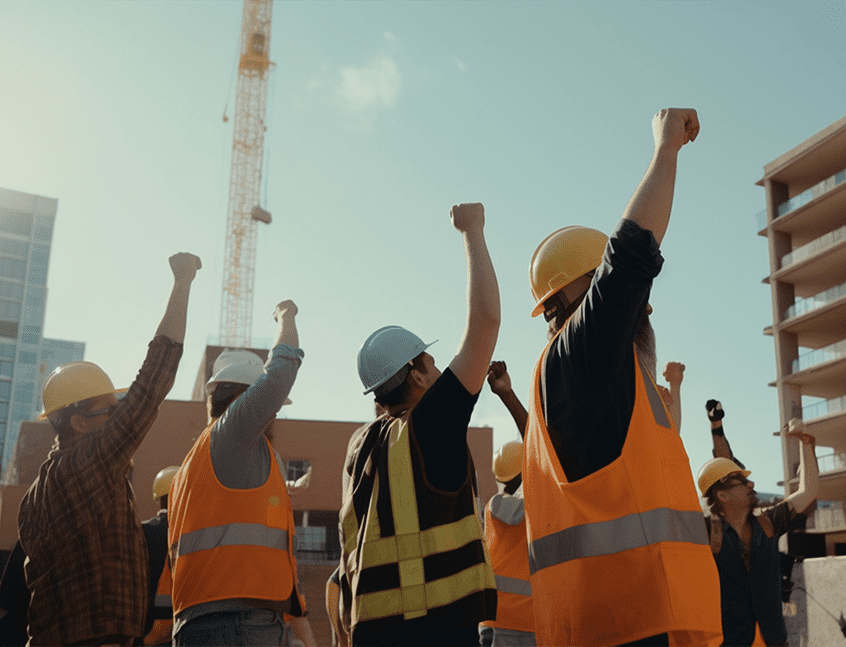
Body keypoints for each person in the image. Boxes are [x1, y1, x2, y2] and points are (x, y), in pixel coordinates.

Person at [523, 108, 723, 647]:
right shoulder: (577, 359)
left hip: (626, 621)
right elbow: (631, 259)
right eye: (603, 282)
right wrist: (665, 150)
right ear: (573, 298)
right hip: (624, 625)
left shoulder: (598, 375)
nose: (642, 302)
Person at [17, 252, 201, 647]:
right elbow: (154, 377)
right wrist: (182, 281)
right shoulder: (89, 462)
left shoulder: (32, 499)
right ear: (79, 423)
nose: (119, 417)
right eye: (109, 411)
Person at [340, 202, 500, 647]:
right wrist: (473, 230)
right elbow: (484, 324)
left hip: (370, 631)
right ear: (415, 375)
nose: (438, 369)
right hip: (437, 629)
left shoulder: (361, 449)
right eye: (431, 363)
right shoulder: (425, 427)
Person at [168, 300, 315, 647]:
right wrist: (288, 317)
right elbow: (280, 375)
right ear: (243, 399)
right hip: (238, 623)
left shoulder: (198, 462)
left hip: (215, 621)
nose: (273, 416)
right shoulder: (231, 433)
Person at [697, 401, 819, 647]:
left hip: (773, 640)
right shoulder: (707, 531)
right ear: (722, 496)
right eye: (742, 482)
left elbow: (808, 491)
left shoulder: (768, 521)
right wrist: (715, 427)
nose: (750, 485)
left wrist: (804, 441)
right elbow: (723, 463)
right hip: (730, 642)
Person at [480, 361, 535, 647]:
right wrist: (507, 394)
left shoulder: (492, 509)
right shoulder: (529, 505)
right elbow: (538, 449)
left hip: (492, 625)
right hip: (528, 626)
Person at [137, 466, 179, 646]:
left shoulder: (141, 531)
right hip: (183, 628)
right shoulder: (189, 532)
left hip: (145, 631)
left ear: (158, 499)